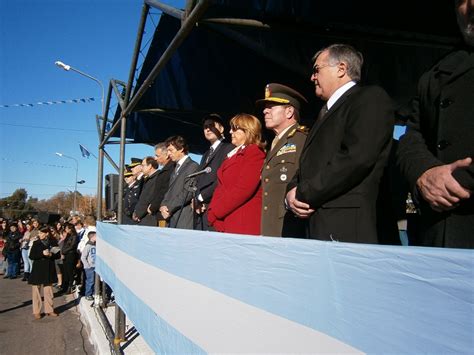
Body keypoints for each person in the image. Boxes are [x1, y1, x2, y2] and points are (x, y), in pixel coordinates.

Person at [285, 43, 394, 243]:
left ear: (341, 69)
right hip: (315, 224)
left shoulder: (369, 98)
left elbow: (357, 157)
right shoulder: (324, 113)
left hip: (345, 226)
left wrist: (304, 192)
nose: (312, 77)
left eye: (317, 70)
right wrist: (291, 192)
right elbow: (307, 163)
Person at [396, 0, 474, 249]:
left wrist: (460, 181)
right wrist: (425, 174)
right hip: (437, 237)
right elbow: (411, 135)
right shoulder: (436, 73)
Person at [257, 83, 309, 237]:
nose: (265, 110)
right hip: (270, 225)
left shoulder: (302, 139)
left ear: (289, 111)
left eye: (271, 106)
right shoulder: (275, 142)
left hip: (290, 227)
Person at [207, 114, 266, 235]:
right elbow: (221, 187)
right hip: (227, 218)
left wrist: (216, 212)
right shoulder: (233, 154)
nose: (230, 131)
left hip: (243, 220)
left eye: (234, 128)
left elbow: (243, 189)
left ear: (247, 130)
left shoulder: (254, 152)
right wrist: (212, 212)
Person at [193, 114, 234, 231]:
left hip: (216, 208)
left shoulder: (229, 148)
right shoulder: (205, 154)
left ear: (221, 129)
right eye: (205, 127)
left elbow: (223, 179)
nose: (207, 129)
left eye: (211, 125)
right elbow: (200, 179)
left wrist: (201, 197)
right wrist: (197, 199)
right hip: (201, 209)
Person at [160, 136, 199, 229]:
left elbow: (187, 192)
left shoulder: (192, 166)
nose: (168, 154)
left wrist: (169, 207)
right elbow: (169, 190)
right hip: (172, 217)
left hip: (183, 217)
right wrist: (162, 206)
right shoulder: (175, 168)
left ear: (181, 149)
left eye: (171, 150)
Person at [28, 227, 61, 319]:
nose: (39, 235)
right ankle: (36, 311)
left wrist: (51, 254)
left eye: (41, 233)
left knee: (48, 290)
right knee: (36, 290)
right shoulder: (36, 243)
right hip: (38, 269)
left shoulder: (53, 242)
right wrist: (42, 254)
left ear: (47, 233)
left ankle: (49, 310)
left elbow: (58, 255)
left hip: (48, 268)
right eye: (39, 233)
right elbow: (31, 256)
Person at [147, 142, 175, 227]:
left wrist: (152, 207)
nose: (155, 158)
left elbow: (163, 191)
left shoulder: (170, 170)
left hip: (164, 214)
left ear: (166, 155)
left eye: (157, 156)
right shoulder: (166, 170)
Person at [133, 157, 162, 226]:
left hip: (150, 217)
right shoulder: (148, 179)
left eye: (143, 165)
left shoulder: (157, 177)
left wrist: (138, 214)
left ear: (150, 166)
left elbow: (148, 198)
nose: (141, 168)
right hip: (143, 217)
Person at [80, 231, 96, 301]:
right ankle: (88, 294)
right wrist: (87, 266)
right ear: (92, 237)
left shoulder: (96, 245)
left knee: (95, 281)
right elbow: (83, 257)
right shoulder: (88, 246)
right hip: (90, 267)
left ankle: (94, 293)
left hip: (96, 266)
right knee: (90, 281)